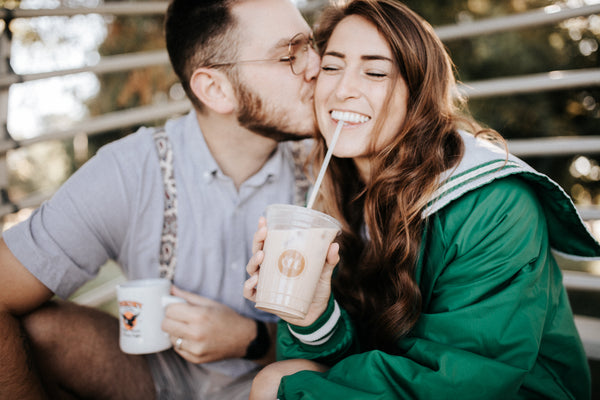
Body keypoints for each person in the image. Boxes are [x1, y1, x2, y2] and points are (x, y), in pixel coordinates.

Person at [243, 0, 600, 398]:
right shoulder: (338, 193)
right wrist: (312, 316)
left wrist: (289, 390)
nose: (343, 89)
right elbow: (367, 353)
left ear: (419, 96)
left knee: (278, 382)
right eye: (331, 66)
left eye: (375, 71)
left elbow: (465, 380)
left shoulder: (496, 205)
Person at [0, 0, 320, 398]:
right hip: (153, 384)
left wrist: (252, 339)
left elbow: (369, 339)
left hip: (286, 385)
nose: (316, 66)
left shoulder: (335, 167)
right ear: (216, 89)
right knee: (40, 331)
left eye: (313, 44)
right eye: (290, 54)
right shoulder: (129, 170)